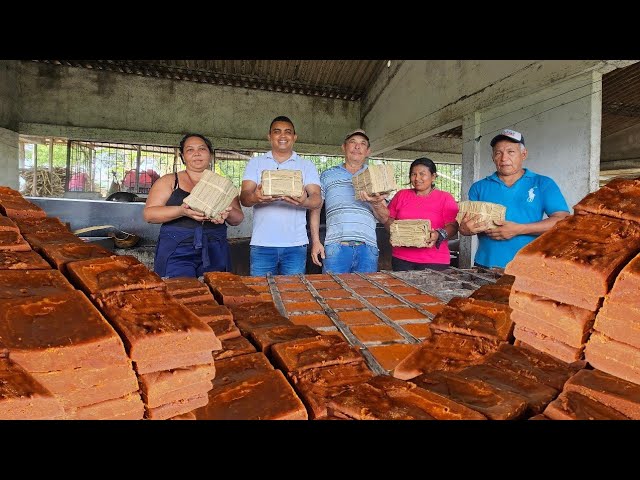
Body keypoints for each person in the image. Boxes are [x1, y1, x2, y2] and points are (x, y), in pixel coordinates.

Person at [458, 128, 570, 269]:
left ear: (523, 154)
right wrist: (465, 229)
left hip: (528, 266)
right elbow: (465, 226)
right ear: (493, 157)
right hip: (484, 265)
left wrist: (519, 229)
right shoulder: (479, 187)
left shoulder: (543, 184)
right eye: (498, 153)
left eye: (511, 152)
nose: (504, 158)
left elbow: (563, 221)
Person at [143, 133, 244, 278]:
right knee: (179, 293)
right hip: (176, 250)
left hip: (214, 249)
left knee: (214, 292)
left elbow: (238, 218)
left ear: (210, 154)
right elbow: (149, 215)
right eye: (190, 150)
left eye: (202, 149)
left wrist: (227, 212)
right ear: (183, 156)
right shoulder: (170, 181)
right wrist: (181, 211)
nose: (196, 153)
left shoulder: (223, 185)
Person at [240, 116, 322, 276]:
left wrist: (304, 201)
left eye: (288, 132)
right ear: (269, 136)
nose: (283, 136)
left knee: (292, 295)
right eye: (277, 132)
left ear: (294, 137)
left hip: (296, 245)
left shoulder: (306, 165)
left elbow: (317, 199)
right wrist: (256, 197)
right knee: (262, 294)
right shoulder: (256, 163)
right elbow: (244, 198)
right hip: (262, 244)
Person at [310, 129, 388, 273]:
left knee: (366, 293)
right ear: (343, 147)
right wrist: (315, 242)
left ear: (368, 151)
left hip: (367, 247)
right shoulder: (328, 175)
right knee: (333, 293)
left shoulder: (375, 176)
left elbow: (384, 218)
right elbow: (315, 209)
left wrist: (375, 202)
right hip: (335, 246)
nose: (357, 147)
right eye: (353, 142)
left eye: (362, 143)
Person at [373, 157, 459, 271]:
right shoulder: (401, 195)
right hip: (401, 258)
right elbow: (388, 220)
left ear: (433, 177)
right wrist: (395, 232)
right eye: (413, 174)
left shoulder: (445, 198)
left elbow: (453, 226)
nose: (417, 178)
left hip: (434, 260)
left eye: (422, 174)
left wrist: (439, 234)